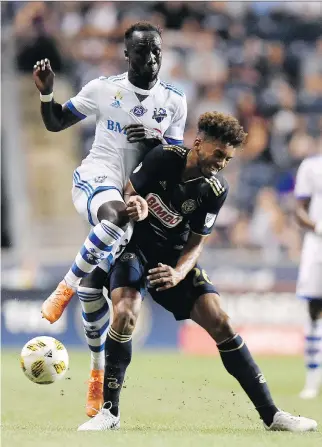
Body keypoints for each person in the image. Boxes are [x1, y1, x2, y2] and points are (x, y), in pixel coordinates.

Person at [77, 112, 317, 432]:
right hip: (133, 248)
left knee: (221, 322)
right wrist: (134, 204)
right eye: (218, 154)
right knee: (125, 313)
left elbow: (196, 243)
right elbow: (127, 193)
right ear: (200, 143)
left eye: (228, 159)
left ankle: (272, 416)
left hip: (174, 258)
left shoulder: (216, 189)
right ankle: (109, 413)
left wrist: (178, 274)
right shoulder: (163, 158)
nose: (221, 163)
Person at [33, 22, 187, 416]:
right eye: (142, 51)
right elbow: (54, 122)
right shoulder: (103, 89)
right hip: (97, 179)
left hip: (137, 198)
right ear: (126, 53)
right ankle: (62, 289)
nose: (151, 58)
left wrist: (153, 141)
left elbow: (174, 161)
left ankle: (97, 375)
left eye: (156, 51)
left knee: (93, 290)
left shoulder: (173, 101)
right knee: (114, 216)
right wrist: (48, 92)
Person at [294, 154, 322, 399]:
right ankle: (312, 380)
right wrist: (317, 227)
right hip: (318, 246)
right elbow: (299, 210)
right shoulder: (312, 167)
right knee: (314, 310)